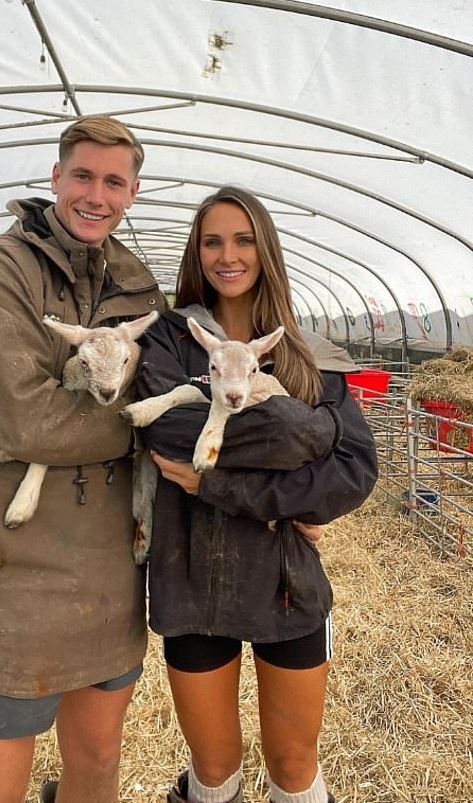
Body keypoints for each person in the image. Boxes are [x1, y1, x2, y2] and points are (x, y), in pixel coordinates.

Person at [0, 115, 167, 803]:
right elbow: (26, 420)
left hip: (110, 571)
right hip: (12, 571)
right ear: (55, 179)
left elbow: (174, 392)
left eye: (113, 182)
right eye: (83, 176)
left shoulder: (138, 286)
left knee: (97, 760)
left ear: (131, 193)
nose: (95, 195)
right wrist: (138, 428)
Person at [133, 186, 378, 803]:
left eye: (243, 240)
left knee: (294, 766)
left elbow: (354, 469)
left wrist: (218, 482)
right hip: (188, 575)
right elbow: (168, 429)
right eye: (212, 241)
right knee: (214, 769)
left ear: (265, 249)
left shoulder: (306, 352)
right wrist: (304, 432)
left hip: (286, 577)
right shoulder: (170, 339)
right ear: (197, 252)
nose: (228, 255)